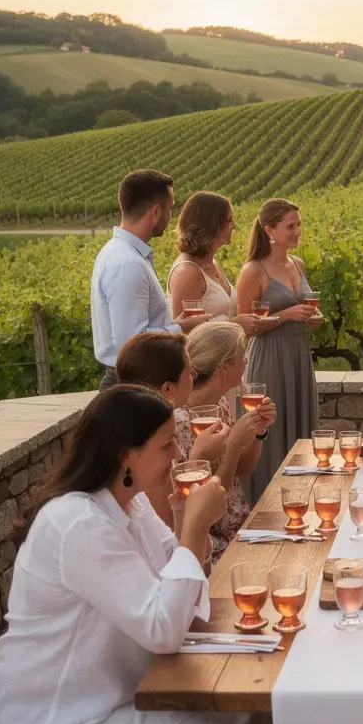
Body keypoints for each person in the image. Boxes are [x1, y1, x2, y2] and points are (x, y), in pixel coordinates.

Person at [0, 386, 278, 724]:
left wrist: (180, 524)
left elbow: (179, 597)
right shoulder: (76, 523)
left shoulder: (130, 505)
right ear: (126, 455)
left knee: (252, 717)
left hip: (114, 696)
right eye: (167, 444)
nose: (178, 454)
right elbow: (162, 628)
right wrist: (192, 533)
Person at [236, 198, 321, 505]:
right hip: (269, 360)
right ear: (269, 229)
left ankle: (300, 500)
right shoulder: (253, 271)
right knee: (270, 433)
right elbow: (244, 325)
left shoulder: (298, 264)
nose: (297, 231)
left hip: (298, 357)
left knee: (301, 431)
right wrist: (286, 316)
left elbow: (306, 311)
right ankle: (265, 505)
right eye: (290, 226)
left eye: (299, 224)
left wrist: (312, 319)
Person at [91, 169, 208, 390]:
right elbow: (132, 341)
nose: (171, 216)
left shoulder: (118, 252)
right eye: (170, 208)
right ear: (155, 212)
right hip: (134, 385)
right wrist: (179, 328)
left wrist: (172, 325)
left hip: (133, 380)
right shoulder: (128, 264)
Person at [184, 322, 276, 563]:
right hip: (215, 543)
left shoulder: (220, 405)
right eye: (241, 356)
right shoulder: (181, 420)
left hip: (239, 527)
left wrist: (258, 430)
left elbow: (242, 470)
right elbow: (208, 502)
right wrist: (233, 446)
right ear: (224, 368)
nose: (246, 361)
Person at [116, 331, 227, 522]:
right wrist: (199, 458)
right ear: (167, 389)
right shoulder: (146, 439)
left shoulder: (140, 424)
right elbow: (170, 525)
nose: (195, 376)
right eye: (189, 371)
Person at [166, 191, 260, 336]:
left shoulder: (213, 263)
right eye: (229, 220)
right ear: (211, 224)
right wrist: (234, 325)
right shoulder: (188, 272)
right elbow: (184, 334)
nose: (234, 226)